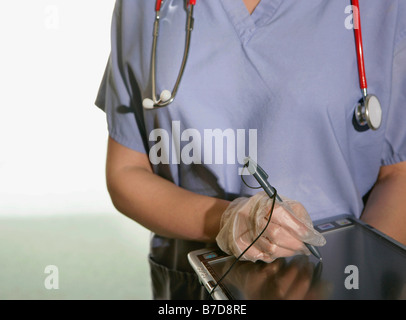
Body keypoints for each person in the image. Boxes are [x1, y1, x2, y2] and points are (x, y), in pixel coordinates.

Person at [95, 0, 406, 299]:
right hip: (192, 284)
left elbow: (398, 174)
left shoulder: (381, 7)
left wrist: (354, 282)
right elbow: (125, 171)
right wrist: (226, 220)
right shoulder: (147, 5)